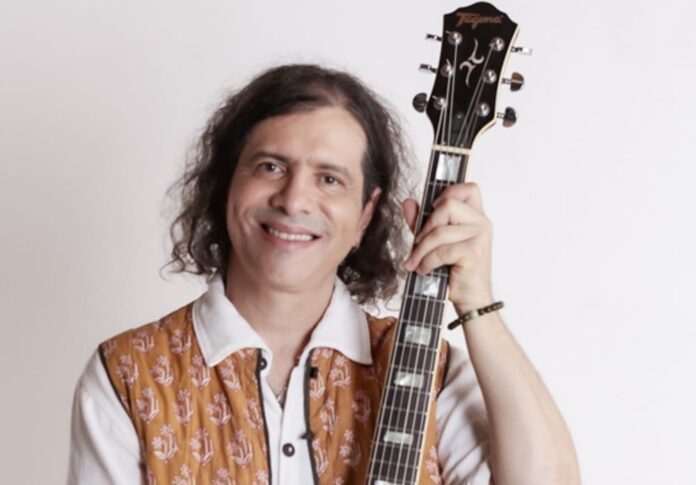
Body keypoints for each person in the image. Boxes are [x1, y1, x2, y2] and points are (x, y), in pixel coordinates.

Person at [67, 64, 580, 485]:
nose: (294, 200)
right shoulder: (128, 375)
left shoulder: (430, 373)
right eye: (270, 166)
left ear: (364, 215)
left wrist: (477, 302)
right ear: (227, 185)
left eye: (329, 179)